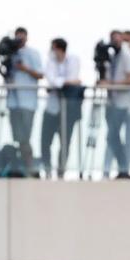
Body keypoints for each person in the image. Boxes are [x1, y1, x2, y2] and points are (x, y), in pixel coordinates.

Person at [39, 38, 82, 179]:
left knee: (65, 142)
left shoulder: (73, 60)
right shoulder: (50, 62)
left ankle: (61, 170)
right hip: (52, 109)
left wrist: (64, 83)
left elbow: (69, 81)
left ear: (59, 49)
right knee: (45, 141)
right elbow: (53, 81)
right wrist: (67, 83)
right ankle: (47, 169)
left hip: (68, 110)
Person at [99, 31, 130, 179]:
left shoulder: (126, 55)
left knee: (113, 135)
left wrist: (111, 84)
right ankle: (119, 168)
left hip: (122, 103)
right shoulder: (114, 56)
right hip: (112, 102)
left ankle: (123, 167)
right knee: (112, 136)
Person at [6, 27, 43, 172]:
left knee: (25, 137)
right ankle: (21, 165)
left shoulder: (33, 54)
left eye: (22, 37)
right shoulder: (10, 54)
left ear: (27, 37)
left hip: (28, 102)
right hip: (13, 102)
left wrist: (24, 68)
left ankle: (29, 165)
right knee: (17, 137)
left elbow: (40, 74)